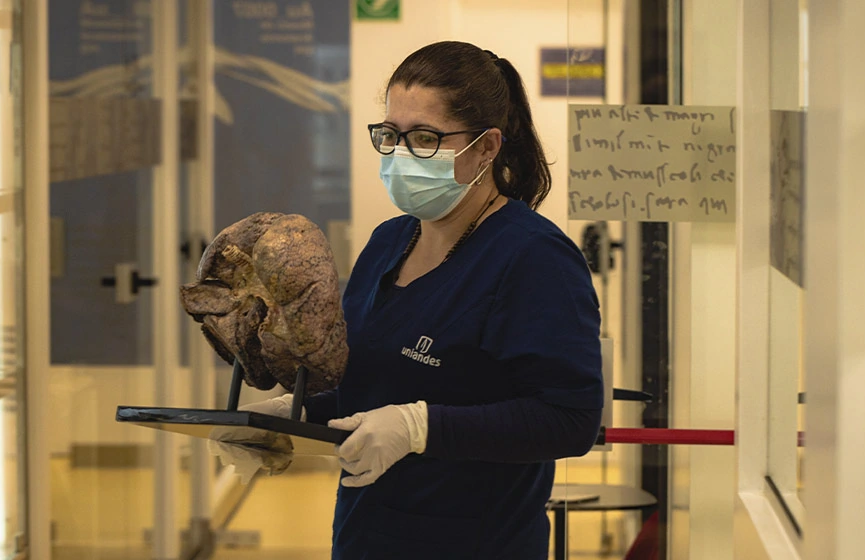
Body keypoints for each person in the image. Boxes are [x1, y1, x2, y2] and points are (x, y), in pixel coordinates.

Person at [244, 41, 604, 559]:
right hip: (367, 535)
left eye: (425, 138)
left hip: (476, 542)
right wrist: (286, 419)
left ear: (486, 147)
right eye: (390, 135)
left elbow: (568, 420)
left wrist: (421, 427)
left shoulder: (533, 258)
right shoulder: (389, 241)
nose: (400, 154)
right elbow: (372, 391)